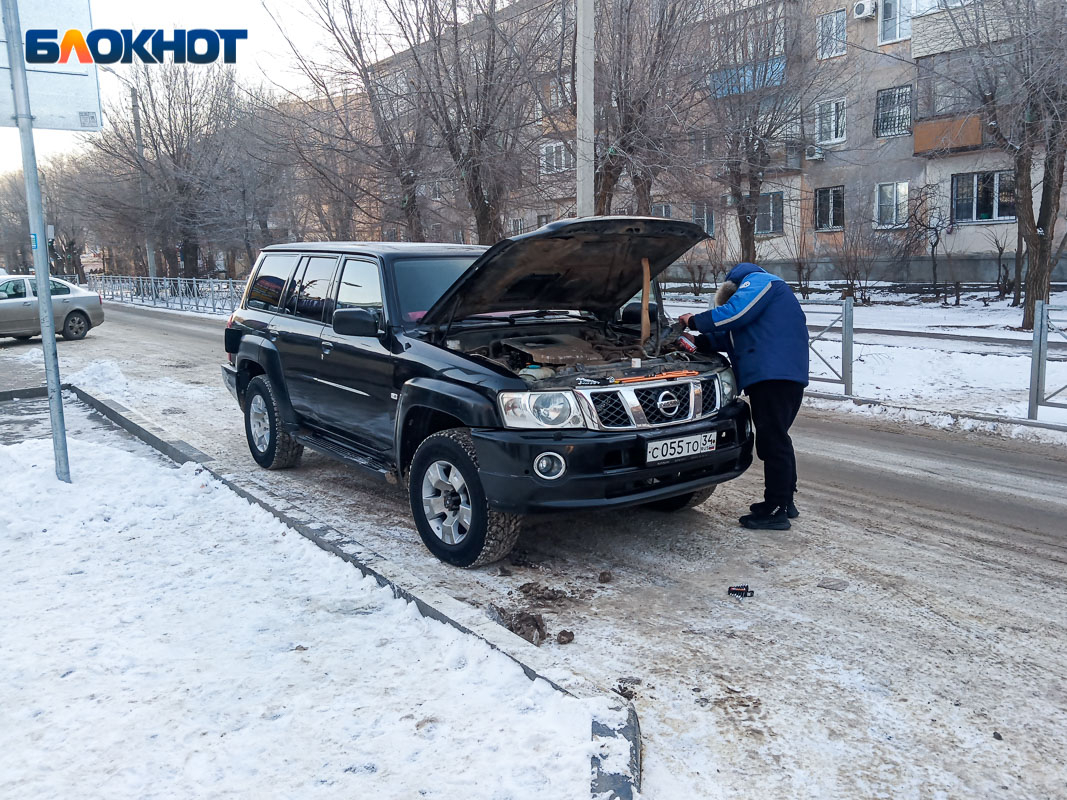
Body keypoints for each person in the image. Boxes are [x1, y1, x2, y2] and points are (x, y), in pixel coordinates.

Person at [678, 262, 808, 531]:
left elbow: (735, 314)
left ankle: (775, 510)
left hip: (774, 376)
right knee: (777, 438)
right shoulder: (761, 311)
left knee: (774, 442)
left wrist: (695, 320)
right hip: (780, 376)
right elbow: (727, 337)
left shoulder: (762, 282)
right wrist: (696, 340)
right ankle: (784, 501)